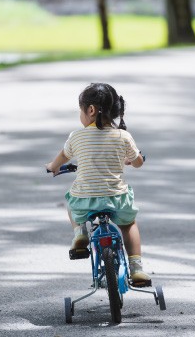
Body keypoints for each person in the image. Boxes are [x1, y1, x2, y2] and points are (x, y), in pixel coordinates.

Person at [46, 82, 151, 286]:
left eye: (80, 111)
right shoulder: (123, 136)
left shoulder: (76, 136)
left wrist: (53, 166)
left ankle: (80, 234)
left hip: (85, 200)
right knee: (129, 224)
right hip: (116, 200)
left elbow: (60, 159)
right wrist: (131, 161)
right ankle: (137, 269)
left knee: (71, 202)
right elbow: (138, 163)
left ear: (91, 110)